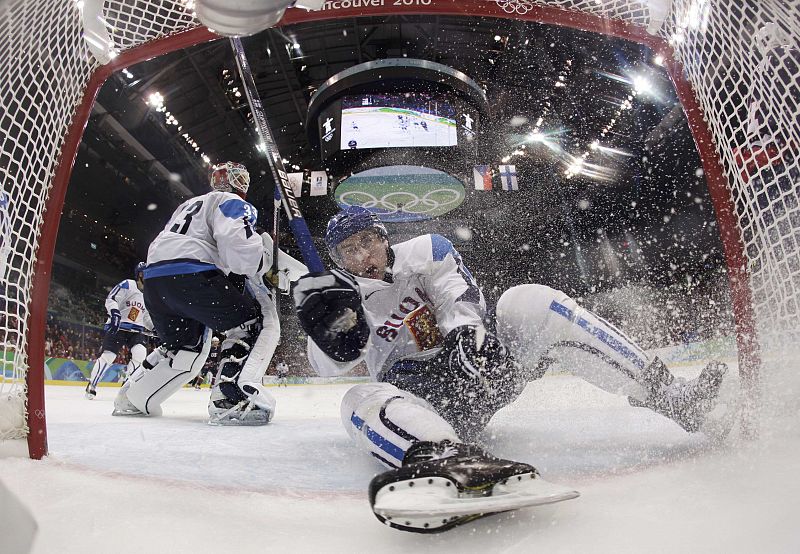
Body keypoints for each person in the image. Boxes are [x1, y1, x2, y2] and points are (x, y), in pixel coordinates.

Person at [292, 205, 737, 532]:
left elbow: (457, 294)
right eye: (349, 250)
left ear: (383, 237)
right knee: (357, 398)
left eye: (367, 241)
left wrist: (468, 335)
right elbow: (331, 366)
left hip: (480, 370)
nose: (362, 255)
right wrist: (325, 333)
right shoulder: (340, 295)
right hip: (426, 406)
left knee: (528, 300)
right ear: (337, 259)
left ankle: (673, 396)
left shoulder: (427, 249)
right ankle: (443, 459)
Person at [112, 161, 306, 425]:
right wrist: (265, 266)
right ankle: (233, 398)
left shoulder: (189, 205)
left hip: (156, 280)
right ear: (241, 184)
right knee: (255, 324)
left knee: (184, 346)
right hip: (192, 274)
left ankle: (133, 397)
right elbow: (240, 251)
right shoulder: (232, 202)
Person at [85, 263, 154, 399]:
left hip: (135, 331)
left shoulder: (148, 294)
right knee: (109, 356)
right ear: (140, 274)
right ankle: (92, 385)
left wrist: (154, 327)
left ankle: (127, 385)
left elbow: (145, 316)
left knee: (140, 353)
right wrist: (115, 314)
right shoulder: (128, 284)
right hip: (119, 327)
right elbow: (111, 299)